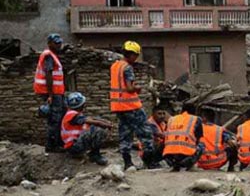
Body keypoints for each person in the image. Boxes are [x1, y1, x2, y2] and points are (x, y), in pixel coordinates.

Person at [110, 41, 155, 169]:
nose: (136, 58)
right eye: (136, 55)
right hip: (131, 106)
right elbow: (129, 88)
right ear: (131, 54)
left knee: (125, 134)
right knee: (145, 133)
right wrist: (138, 88)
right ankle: (150, 162)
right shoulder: (127, 67)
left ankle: (127, 162)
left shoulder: (115, 66)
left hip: (118, 107)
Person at [33, 33, 66, 153]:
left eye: (59, 43)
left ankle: (58, 142)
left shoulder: (53, 55)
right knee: (55, 118)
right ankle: (52, 145)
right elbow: (49, 75)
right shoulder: (49, 56)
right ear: (49, 43)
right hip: (52, 93)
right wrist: (51, 95)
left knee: (60, 115)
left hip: (57, 92)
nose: (58, 45)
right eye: (56, 43)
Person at [61, 92, 113, 165]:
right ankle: (95, 155)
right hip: (74, 147)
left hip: (74, 144)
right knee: (99, 130)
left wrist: (105, 121)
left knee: (94, 125)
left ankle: (93, 153)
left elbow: (91, 118)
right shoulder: (73, 115)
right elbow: (92, 121)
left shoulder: (72, 113)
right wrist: (106, 125)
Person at [163, 104, 204, 171]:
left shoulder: (171, 119)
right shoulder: (196, 119)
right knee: (201, 145)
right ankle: (189, 165)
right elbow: (198, 138)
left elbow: (166, 136)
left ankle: (175, 165)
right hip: (185, 155)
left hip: (169, 156)